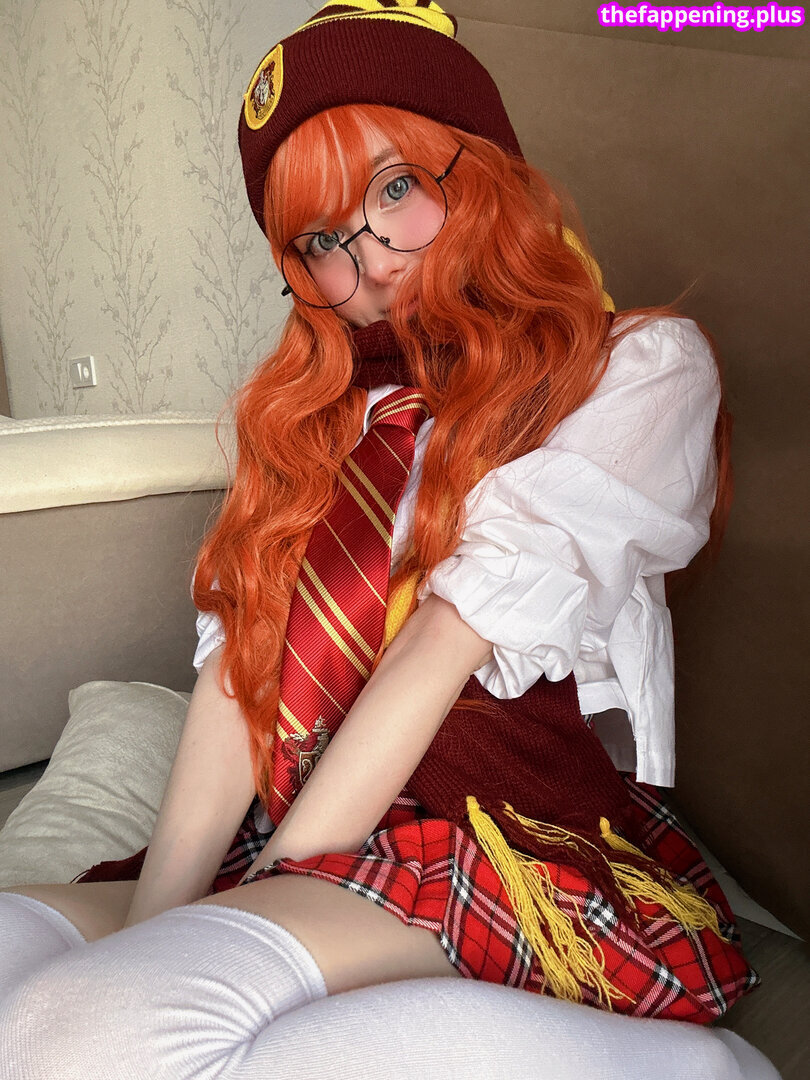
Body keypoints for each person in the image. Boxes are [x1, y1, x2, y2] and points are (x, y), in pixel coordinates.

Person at [0, 3, 768, 1077]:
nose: (368, 262)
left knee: (87, 1029)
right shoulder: (307, 417)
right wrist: (159, 919)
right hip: (298, 822)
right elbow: (240, 680)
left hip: (497, 837)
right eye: (320, 241)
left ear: (482, 168)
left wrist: (253, 902)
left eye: (396, 188)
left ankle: (691, 1067)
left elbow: (441, 643)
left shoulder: (631, 367)